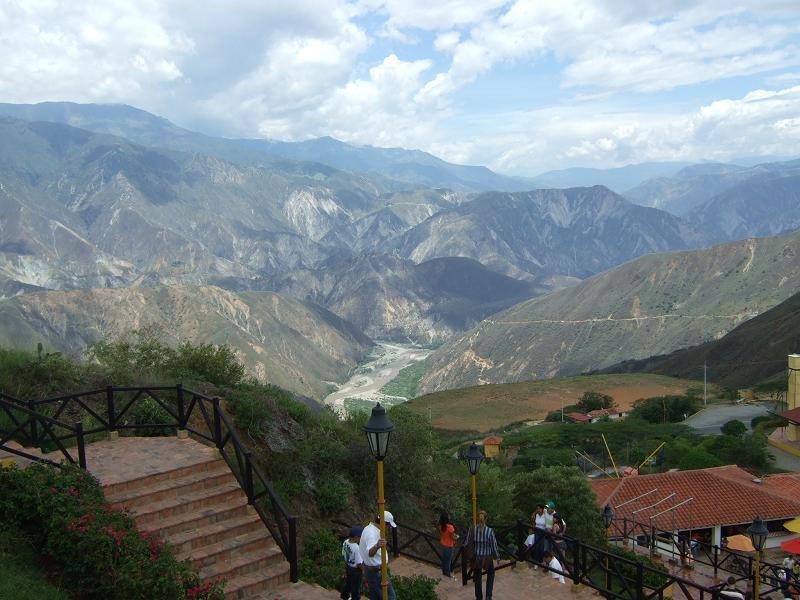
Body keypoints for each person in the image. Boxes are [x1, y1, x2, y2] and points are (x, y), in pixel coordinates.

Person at [359, 511, 397, 600]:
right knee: (390, 597)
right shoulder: (372, 534)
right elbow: (370, 553)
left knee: (376, 597)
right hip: (376, 572)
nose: (388, 528)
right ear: (384, 523)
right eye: (388, 525)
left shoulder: (369, 528)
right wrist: (377, 545)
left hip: (374, 571)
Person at [464, 509, 500, 600]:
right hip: (487, 557)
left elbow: (467, 543)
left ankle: (479, 597)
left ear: (477, 518)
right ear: (486, 519)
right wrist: (497, 557)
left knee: (477, 578)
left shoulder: (472, 530)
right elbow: (493, 545)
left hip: (477, 557)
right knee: (491, 574)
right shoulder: (489, 531)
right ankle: (488, 596)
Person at [341, 526, 363, 600]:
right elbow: (359, 563)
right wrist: (364, 571)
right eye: (360, 537)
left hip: (348, 566)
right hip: (355, 571)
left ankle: (344, 595)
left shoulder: (346, 542)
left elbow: (343, 553)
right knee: (356, 587)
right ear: (356, 537)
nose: (361, 539)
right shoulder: (356, 548)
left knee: (349, 583)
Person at [439, 511, 458, 578]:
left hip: (443, 545)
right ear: (446, 518)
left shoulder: (441, 526)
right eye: (448, 516)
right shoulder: (450, 527)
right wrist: (456, 537)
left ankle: (444, 572)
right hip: (449, 546)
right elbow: (453, 537)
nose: (449, 517)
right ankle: (447, 574)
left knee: (444, 560)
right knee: (448, 561)